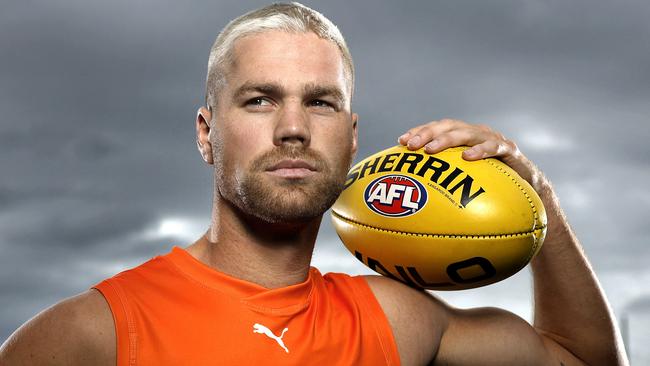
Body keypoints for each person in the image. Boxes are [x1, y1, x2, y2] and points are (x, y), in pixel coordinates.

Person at [0, 3, 628, 365]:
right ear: (205, 133)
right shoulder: (96, 331)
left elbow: (584, 362)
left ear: (352, 138)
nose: (294, 128)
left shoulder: (397, 318)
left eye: (321, 103)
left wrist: (536, 195)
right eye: (260, 100)